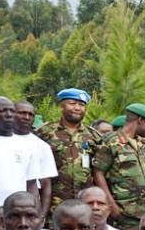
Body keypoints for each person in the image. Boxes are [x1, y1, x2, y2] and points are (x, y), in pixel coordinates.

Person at [92, 103, 145, 230]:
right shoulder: (111, 142)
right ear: (140, 120)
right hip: (124, 213)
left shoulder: (143, 145)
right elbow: (98, 173)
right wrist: (113, 208)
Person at [36, 88, 102, 220]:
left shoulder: (94, 136)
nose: (77, 108)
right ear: (61, 106)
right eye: (72, 103)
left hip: (85, 203)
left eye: (82, 105)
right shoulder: (44, 132)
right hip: (53, 203)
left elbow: (99, 170)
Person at [0, 97, 39, 214]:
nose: (9, 114)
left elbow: (31, 184)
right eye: (3, 111)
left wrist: (34, 212)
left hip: (17, 216)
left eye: (12, 110)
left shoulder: (28, 146)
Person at [14, 101, 58, 215]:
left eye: (31, 114)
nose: (27, 117)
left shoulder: (41, 146)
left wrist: (41, 215)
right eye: (22, 113)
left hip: (27, 208)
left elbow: (46, 185)